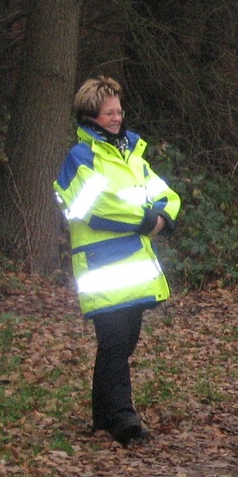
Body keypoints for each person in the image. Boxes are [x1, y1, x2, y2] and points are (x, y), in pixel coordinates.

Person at [53, 75, 181, 447]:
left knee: (123, 343)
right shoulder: (80, 158)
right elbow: (93, 207)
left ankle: (103, 415)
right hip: (101, 268)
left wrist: (162, 216)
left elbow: (165, 194)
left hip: (133, 269)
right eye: (109, 112)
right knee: (113, 342)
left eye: (118, 110)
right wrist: (145, 218)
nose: (116, 117)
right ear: (91, 115)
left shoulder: (131, 154)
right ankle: (124, 419)